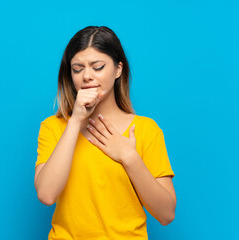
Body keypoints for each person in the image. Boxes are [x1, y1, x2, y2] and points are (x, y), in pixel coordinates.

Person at [34, 26, 176, 240]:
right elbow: (46, 194)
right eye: (77, 68)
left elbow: (166, 214)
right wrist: (75, 121)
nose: (87, 76)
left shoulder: (146, 130)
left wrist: (129, 157)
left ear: (118, 70)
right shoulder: (53, 127)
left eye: (98, 67)